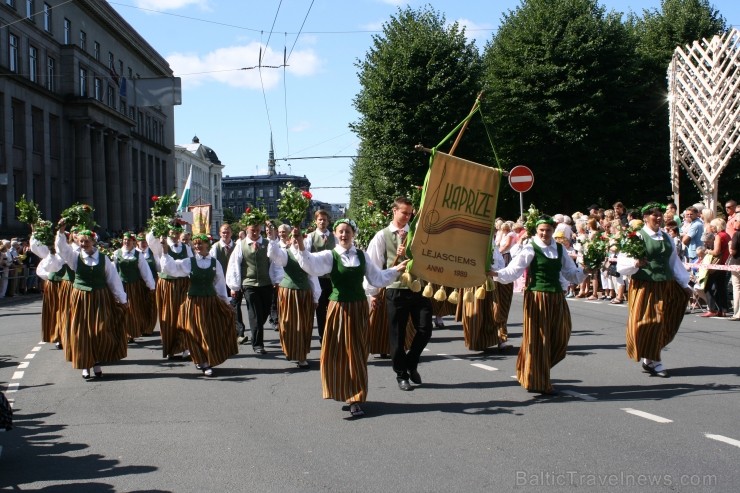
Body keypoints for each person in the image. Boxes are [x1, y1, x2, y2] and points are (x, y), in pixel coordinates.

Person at [293, 218, 407, 417]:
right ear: (335, 235)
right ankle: (341, 389)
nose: (344, 235)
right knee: (338, 353)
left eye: (347, 231)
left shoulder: (362, 256)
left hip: (358, 309)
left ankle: (355, 397)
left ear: (353, 234)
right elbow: (310, 264)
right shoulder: (331, 255)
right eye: (340, 232)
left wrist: (396, 271)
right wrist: (301, 245)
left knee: (357, 353)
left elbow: (377, 278)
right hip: (338, 309)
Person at [492, 215, 585, 396]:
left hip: (557, 296)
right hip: (537, 297)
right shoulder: (531, 248)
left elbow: (570, 273)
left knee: (562, 334)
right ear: (536, 231)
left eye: (548, 230)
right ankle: (540, 380)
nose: (544, 233)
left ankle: (530, 368)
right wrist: (494, 274)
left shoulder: (559, 248)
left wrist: (585, 271)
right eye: (541, 230)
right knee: (538, 340)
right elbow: (514, 270)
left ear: (552, 231)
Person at [366, 197, 433, 391]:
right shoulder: (382, 236)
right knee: (397, 336)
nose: (407, 216)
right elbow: (374, 265)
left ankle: (411, 362)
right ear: (394, 211)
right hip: (395, 290)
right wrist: (373, 293)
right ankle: (401, 374)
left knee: (425, 329)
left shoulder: (418, 234)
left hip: (418, 287)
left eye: (410, 213)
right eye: (403, 212)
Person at [616, 204, 691, 378]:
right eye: (653, 215)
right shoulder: (636, 237)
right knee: (647, 323)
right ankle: (653, 360)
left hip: (666, 284)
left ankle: (651, 358)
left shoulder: (666, 236)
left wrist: (685, 284)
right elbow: (622, 264)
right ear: (645, 218)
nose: (658, 218)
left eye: (659, 215)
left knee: (663, 322)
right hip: (645, 286)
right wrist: (635, 263)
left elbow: (674, 262)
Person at [55, 223, 128, 379]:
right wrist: (61, 232)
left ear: (93, 242)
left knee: (99, 330)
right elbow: (62, 249)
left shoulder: (103, 259)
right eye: (81, 241)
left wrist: (122, 299)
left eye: (86, 242)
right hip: (81, 297)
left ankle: (96, 361)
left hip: (100, 297)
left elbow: (113, 279)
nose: (83, 244)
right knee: (82, 333)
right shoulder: (75, 257)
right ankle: (86, 365)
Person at [160, 234, 238, 376]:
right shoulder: (189, 262)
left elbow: (220, 284)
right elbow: (171, 269)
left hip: (210, 302)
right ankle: (202, 361)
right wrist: (165, 251)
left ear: (207, 245)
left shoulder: (215, 263)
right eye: (195, 244)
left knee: (208, 332)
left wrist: (226, 302)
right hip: (193, 303)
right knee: (195, 333)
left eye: (200, 244)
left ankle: (206, 360)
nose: (197, 246)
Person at [267, 224, 320, 368]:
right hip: (289, 292)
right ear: (289, 240)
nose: (296, 240)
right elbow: (273, 254)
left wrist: (315, 297)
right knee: (289, 324)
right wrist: (272, 237)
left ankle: (302, 355)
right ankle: (292, 350)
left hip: (305, 293)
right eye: (294, 237)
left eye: (299, 237)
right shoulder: (285, 253)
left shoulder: (308, 255)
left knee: (304, 325)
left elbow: (313, 277)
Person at [225, 220, 273, 354]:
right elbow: (234, 264)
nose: (255, 232)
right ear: (247, 229)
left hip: (266, 283)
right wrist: (234, 286)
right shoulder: (241, 245)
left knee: (265, 312)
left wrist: (276, 280)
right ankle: (258, 344)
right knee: (255, 313)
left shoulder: (267, 244)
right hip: (249, 284)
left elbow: (275, 263)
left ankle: (255, 331)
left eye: (257, 229)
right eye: (253, 230)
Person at [147, 225, 193, 359]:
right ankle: (170, 348)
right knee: (168, 316)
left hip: (183, 284)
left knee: (184, 315)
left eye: (177, 232)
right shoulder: (161, 245)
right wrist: (158, 224)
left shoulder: (186, 247)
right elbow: (150, 240)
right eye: (172, 232)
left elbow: (191, 263)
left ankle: (185, 346)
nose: (175, 235)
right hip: (167, 284)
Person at [30, 230, 74, 349]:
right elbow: (41, 264)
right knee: (55, 310)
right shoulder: (51, 253)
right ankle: (57, 336)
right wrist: (35, 232)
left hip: (69, 286)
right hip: (54, 285)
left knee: (68, 311)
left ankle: (68, 336)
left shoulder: (72, 252)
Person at [114, 232, 156, 342]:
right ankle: (122, 332)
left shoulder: (138, 255)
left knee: (133, 309)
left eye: (129, 240)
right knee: (120, 308)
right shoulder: (116, 253)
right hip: (121, 285)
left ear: (133, 242)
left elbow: (145, 271)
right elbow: (113, 270)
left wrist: (151, 286)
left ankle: (131, 332)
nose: (126, 242)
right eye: (125, 240)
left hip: (134, 286)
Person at [304, 209, 335, 343]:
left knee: (333, 308)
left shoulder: (335, 236)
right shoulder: (310, 237)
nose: (322, 222)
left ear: (328, 221)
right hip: (317, 278)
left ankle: (332, 334)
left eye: (325, 220)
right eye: (320, 219)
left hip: (332, 278)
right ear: (315, 221)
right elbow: (305, 255)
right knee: (320, 309)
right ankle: (323, 336)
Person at [210, 224, 245, 340]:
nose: (225, 234)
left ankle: (239, 332)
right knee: (221, 306)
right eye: (223, 232)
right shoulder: (215, 247)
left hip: (234, 282)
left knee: (235, 306)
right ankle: (224, 330)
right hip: (221, 283)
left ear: (231, 233)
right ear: (220, 233)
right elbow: (212, 264)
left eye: (228, 232)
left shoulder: (237, 246)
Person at [702, 218, 730, 317]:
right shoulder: (727, 235)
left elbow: (716, 252)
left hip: (716, 264)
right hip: (725, 264)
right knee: (721, 287)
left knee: (708, 286)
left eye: (713, 226)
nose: (712, 228)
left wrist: (707, 251)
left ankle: (712, 309)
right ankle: (723, 310)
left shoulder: (718, 236)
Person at [135, 233, 159, 336]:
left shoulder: (153, 253)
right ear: (137, 242)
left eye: (145, 242)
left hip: (152, 280)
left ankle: (149, 327)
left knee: (152, 304)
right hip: (139, 282)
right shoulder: (134, 253)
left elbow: (158, 266)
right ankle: (140, 325)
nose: (143, 244)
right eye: (141, 242)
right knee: (140, 305)